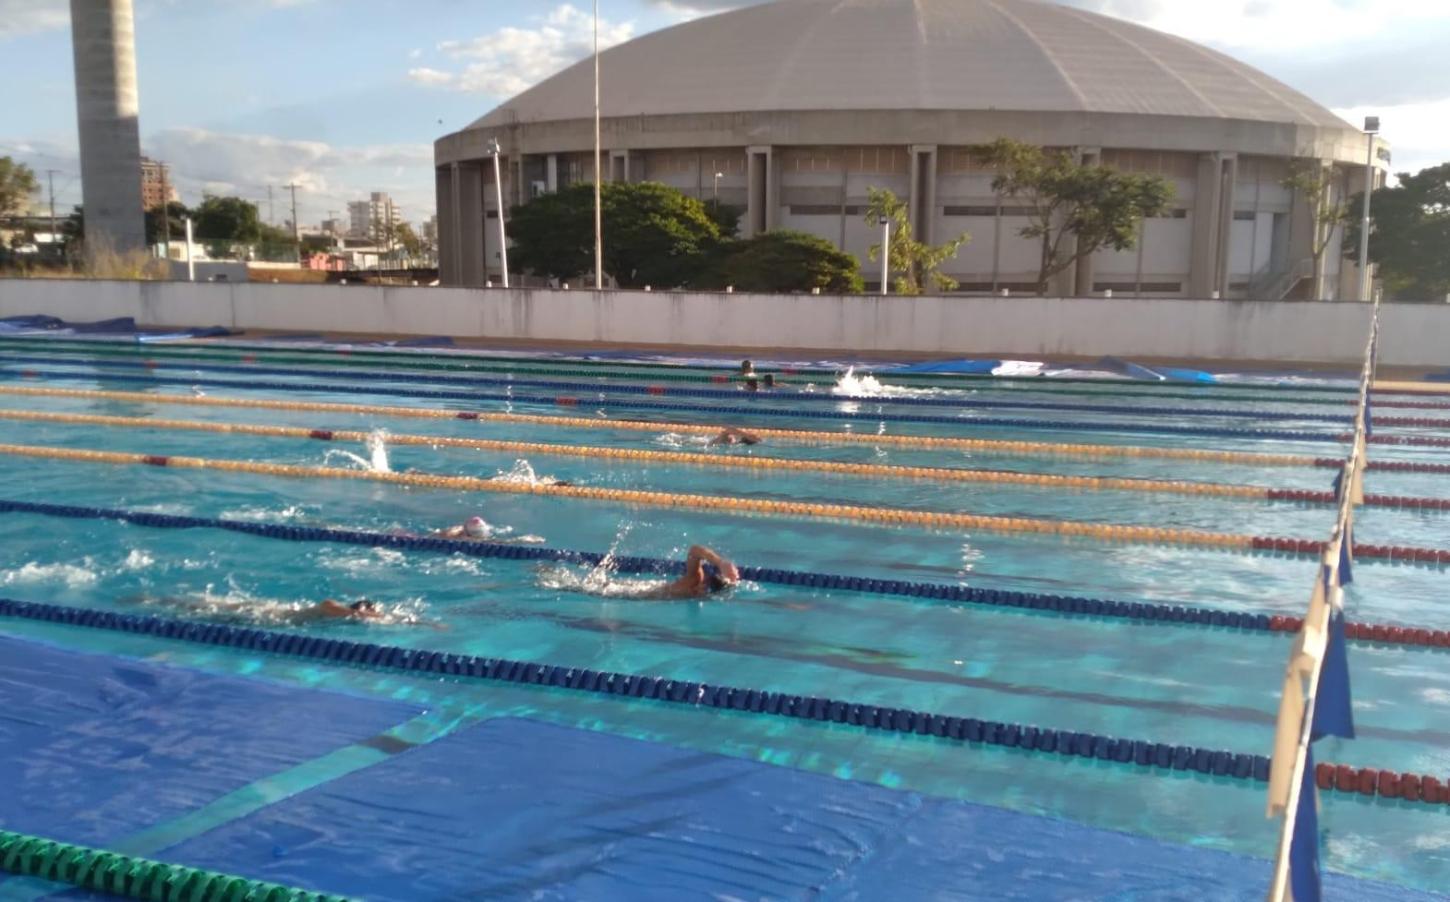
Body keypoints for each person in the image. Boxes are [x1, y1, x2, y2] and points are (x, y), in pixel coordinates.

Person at [657, 545, 740, 598]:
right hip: (646, 592)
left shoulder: (697, 596)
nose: (702, 589)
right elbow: (694, 550)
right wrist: (720, 562)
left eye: (705, 589)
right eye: (704, 587)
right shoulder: (694, 580)